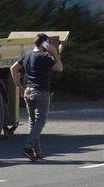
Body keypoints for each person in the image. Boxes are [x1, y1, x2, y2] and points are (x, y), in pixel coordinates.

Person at [10, 33, 63, 162]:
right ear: (44, 44)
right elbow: (60, 68)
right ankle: (28, 147)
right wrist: (55, 53)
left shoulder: (27, 55)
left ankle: (37, 152)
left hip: (28, 91)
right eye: (48, 43)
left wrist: (19, 86)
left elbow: (13, 69)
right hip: (41, 93)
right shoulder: (44, 57)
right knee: (41, 121)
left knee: (34, 123)